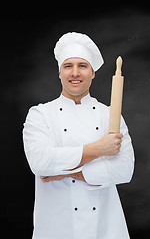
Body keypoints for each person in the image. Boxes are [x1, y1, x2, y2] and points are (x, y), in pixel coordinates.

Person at [23, 32, 135, 239]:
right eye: (68, 66)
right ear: (59, 73)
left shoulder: (110, 115)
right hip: (56, 228)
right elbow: (40, 162)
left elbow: (124, 170)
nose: (75, 73)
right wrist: (99, 149)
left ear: (92, 73)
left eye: (82, 66)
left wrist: (65, 172)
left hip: (106, 228)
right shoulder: (39, 115)